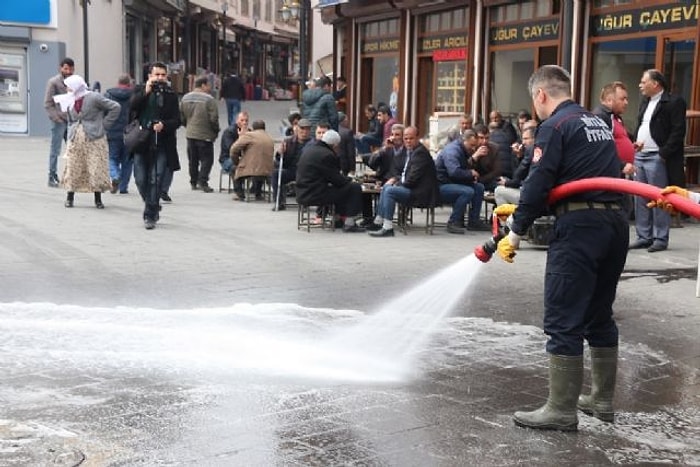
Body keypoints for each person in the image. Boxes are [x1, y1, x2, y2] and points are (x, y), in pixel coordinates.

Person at [495, 65, 628, 432]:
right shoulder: (597, 122)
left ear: (540, 95)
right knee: (599, 314)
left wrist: (516, 230)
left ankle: (561, 409)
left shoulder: (554, 126)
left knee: (563, 315)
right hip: (614, 224)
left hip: (580, 227)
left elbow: (539, 181)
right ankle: (600, 400)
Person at [630, 69, 687, 253]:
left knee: (659, 198)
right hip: (640, 154)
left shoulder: (673, 102)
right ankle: (643, 236)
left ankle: (660, 238)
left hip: (657, 156)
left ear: (655, 84)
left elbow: (678, 131)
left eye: (643, 81)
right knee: (640, 198)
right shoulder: (645, 102)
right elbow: (642, 125)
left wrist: (663, 153)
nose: (640, 85)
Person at [129, 62, 181, 230]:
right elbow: (132, 106)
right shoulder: (140, 90)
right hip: (141, 139)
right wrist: (146, 90)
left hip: (162, 141)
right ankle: (152, 203)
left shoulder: (171, 95)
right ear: (149, 76)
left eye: (163, 75)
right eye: (156, 75)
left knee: (156, 178)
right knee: (140, 178)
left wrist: (163, 125)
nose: (160, 78)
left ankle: (150, 214)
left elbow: (177, 120)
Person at [57, 75, 120, 209]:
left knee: (95, 167)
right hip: (76, 139)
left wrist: (105, 125)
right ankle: (70, 197)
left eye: (69, 86)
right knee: (73, 167)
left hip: (95, 138)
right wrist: (70, 131)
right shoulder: (69, 99)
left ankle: (98, 199)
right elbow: (70, 119)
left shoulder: (93, 97)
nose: (67, 89)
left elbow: (115, 107)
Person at [366, 126, 440, 237]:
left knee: (390, 190)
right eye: (406, 139)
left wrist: (397, 183)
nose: (408, 141)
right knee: (386, 187)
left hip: (420, 192)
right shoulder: (412, 151)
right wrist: (396, 180)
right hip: (413, 187)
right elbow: (406, 175)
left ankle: (387, 227)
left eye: (411, 138)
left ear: (417, 138)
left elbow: (412, 180)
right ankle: (378, 221)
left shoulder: (420, 153)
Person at [295, 129, 366, 233]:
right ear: (334, 145)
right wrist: (351, 180)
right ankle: (349, 223)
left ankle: (337, 219)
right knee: (354, 188)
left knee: (340, 190)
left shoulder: (310, 149)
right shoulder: (327, 155)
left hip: (302, 191)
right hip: (314, 194)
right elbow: (337, 180)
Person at [435, 129, 490, 234]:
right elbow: (454, 171)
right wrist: (470, 173)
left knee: (479, 188)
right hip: (442, 185)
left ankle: (474, 221)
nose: (474, 149)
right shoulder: (453, 151)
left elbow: (463, 168)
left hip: (452, 182)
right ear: (464, 141)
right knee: (467, 191)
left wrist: (471, 169)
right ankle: (453, 222)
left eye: (475, 146)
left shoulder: (463, 149)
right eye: (472, 145)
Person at [180, 75, 220, 193]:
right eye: (208, 85)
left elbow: (181, 116)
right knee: (207, 159)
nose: (209, 87)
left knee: (193, 159)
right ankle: (203, 181)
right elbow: (214, 118)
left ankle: (193, 181)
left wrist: (187, 125)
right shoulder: (209, 99)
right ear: (203, 85)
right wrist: (215, 130)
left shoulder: (185, 98)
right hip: (205, 134)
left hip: (190, 134)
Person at [592, 81, 635, 177]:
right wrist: (621, 165)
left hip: (619, 173)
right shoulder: (601, 117)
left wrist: (631, 146)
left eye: (626, 99)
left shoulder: (615, 117)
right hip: (609, 174)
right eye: (622, 99)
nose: (626, 102)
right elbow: (600, 148)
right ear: (609, 100)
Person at [44, 57, 75, 187]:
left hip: (72, 120)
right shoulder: (53, 82)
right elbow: (48, 103)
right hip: (59, 121)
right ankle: (52, 176)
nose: (68, 71)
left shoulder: (74, 81)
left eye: (71, 69)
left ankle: (70, 175)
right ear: (61, 68)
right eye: (66, 68)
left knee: (73, 149)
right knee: (55, 150)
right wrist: (56, 118)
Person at [271, 118, 312, 210]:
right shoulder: (288, 142)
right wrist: (280, 153)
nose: (304, 132)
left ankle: (304, 202)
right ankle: (279, 202)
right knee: (276, 174)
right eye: (302, 129)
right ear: (297, 129)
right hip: (291, 170)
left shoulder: (312, 143)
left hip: (306, 172)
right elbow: (280, 161)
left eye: (307, 129)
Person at [104, 73, 135, 194]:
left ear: (118, 83)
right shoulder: (134, 96)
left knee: (112, 158)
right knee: (127, 161)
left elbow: (104, 112)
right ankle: (123, 187)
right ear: (129, 83)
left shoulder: (108, 95)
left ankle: (115, 175)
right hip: (130, 132)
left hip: (112, 132)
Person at [230, 120, 274, 201]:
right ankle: (258, 194)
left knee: (234, 169)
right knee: (260, 167)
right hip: (268, 170)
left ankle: (240, 194)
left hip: (252, 170)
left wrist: (236, 161)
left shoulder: (249, 135)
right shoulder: (269, 138)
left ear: (253, 128)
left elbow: (234, 149)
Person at [494, 126, 535, 206]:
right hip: (531, 190)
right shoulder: (531, 151)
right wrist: (519, 157)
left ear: (534, 138)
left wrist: (506, 183)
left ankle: (508, 218)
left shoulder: (531, 151)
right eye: (523, 139)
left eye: (526, 139)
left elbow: (518, 176)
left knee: (499, 191)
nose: (523, 142)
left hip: (532, 195)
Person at [472, 123, 502, 192]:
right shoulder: (470, 147)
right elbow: (465, 166)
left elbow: (497, 171)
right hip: (470, 180)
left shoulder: (494, 148)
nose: (484, 141)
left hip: (488, 180)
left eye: (487, 138)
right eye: (481, 138)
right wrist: (475, 156)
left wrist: (480, 180)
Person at [219, 111, 250, 175]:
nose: (244, 123)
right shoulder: (229, 132)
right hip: (228, 159)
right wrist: (241, 138)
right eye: (242, 120)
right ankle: (238, 184)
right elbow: (232, 149)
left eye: (246, 121)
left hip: (244, 158)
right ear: (237, 120)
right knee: (237, 169)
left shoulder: (249, 131)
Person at [337, 112, 356, 176]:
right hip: (345, 165)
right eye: (346, 120)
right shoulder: (348, 132)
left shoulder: (331, 131)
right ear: (343, 121)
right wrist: (352, 168)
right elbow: (351, 152)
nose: (347, 122)